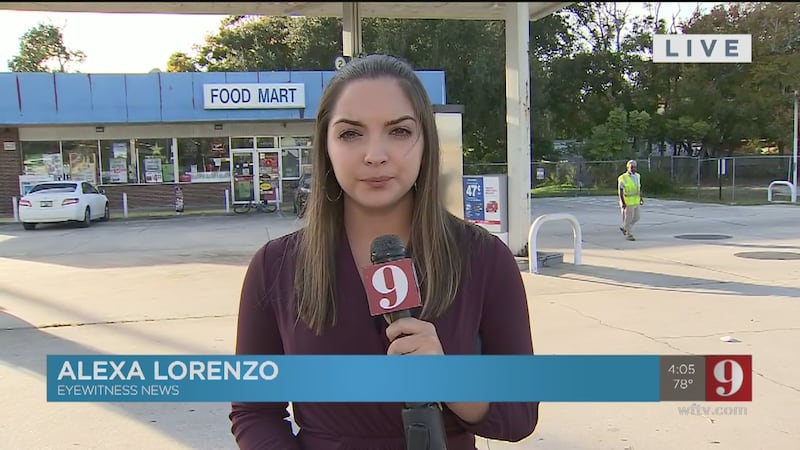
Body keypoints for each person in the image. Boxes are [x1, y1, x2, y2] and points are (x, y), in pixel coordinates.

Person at [229, 54, 538, 450]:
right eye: (350, 134)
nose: (375, 154)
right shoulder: (274, 267)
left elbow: (519, 414)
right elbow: (254, 411)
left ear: (425, 143)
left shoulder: (484, 258)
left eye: (399, 131)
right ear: (326, 146)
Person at [618, 159, 643, 241]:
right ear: (628, 167)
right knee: (628, 218)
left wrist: (641, 198)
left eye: (635, 167)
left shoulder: (638, 176)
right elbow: (620, 191)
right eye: (631, 167)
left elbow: (638, 188)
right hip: (628, 201)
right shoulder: (623, 177)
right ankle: (628, 234)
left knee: (637, 217)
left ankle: (624, 227)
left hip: (636, 200)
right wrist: (623, 202)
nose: (633, 169)